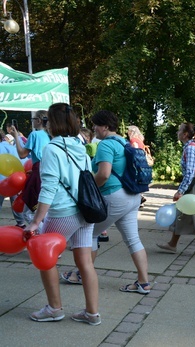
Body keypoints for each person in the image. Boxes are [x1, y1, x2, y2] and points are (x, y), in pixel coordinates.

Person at [24, 103, 100, 325]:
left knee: (46, 259)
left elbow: (48, 188)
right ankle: (92, 313)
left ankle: (54, 309)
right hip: (85, 211)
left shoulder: (52, 149)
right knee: (85, 261)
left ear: (52, 123)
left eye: (46, 120)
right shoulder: (81, 145)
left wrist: (36, 221)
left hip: (62, 213)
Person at [61, 110, 151, 294]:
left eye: (95, 125)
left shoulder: (106, 145)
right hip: (132, 196)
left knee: (88, 234)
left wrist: (88, 189)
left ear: (105, 126)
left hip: (114, 196)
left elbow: (103, 174)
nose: (93, 129)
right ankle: (144, 283)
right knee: (133, 240)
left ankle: (81, 275)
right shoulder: (124, 142)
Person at [156, 122, 195, 257]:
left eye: (179, 130)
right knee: (180, 215)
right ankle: (172, 244)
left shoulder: (190, 148)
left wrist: (180, 191)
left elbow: (190, 173)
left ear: (185, 134)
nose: (177, 132)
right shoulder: (191, 147)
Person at [9, 110, 51, 220]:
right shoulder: (49, 135)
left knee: (29, 212)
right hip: (47, 170)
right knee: (43, 207)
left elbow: (22, 154)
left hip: (38, 172)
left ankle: (42, 233)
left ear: (39, 120)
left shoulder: (34, 134)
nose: (32, 121)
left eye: (33, 119)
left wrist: (16, 137)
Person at [0, 130, 26, 228]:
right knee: (15, 203)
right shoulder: (11, 147)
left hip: (1, 181)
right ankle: (21, 223)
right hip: (14, 180)